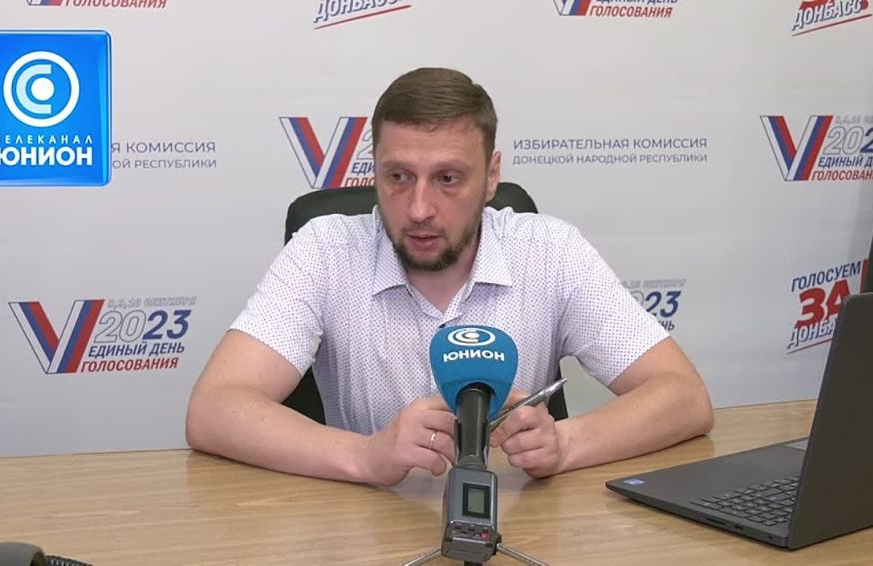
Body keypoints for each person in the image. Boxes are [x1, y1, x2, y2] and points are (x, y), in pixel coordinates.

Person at [185, 67, 713, 487]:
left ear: (491, 177)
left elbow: (683, 396)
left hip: (520, 523)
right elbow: (214, 408)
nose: (419, 209)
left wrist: (567, 443)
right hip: (365, 525)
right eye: (398, 176)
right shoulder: (324, 252)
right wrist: (365, 455)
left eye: (448, 178)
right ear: (374, 171)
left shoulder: (550, 252)